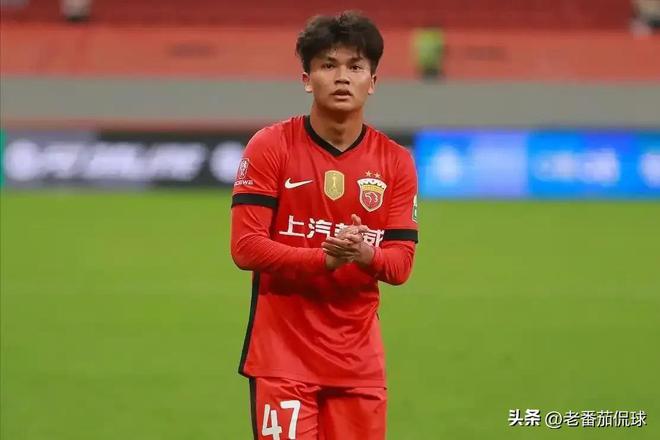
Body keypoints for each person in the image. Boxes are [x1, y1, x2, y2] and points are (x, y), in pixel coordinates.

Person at [230, 11, 419, 439]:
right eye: (328, 65)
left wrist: (364, 253)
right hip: (282, 359)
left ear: (373, 81)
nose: (342, 77)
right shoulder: (270, 146)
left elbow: (401, 265)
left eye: (355, 67)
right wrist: (323, 259)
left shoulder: (395, 162)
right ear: (306, 78)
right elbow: (245, 247)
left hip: (359, 366)